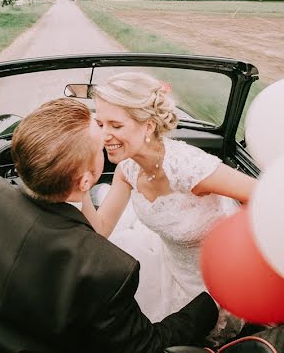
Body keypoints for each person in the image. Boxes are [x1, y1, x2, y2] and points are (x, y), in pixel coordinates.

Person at [0, 98, 219, 353]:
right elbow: (145, 345)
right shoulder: (107, 268)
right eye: (101, 143)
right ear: (86, 181)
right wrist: (210, 303)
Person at [80, 72, 258, 345]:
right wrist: (81, 187)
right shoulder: (126, 169)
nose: (104, 136)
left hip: (220, 276)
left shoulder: (188, 168)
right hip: (172, 266)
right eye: (100, 123)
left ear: (149, 126)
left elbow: (259, 196)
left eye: (115, 125)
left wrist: (242, 253)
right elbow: (101, 228)